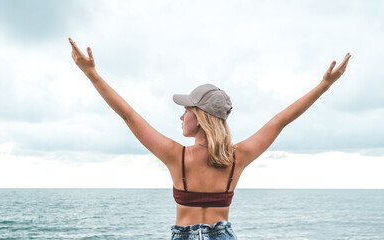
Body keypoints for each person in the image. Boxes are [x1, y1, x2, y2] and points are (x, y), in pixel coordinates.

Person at [69, 37, 351, 240]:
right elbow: (281, 120)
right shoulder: (236, 158)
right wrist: (324, 86)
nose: (181, 117)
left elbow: (128, 115)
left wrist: (91, 74)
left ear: (200, 117)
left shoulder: (176, 155)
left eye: (186, 111)